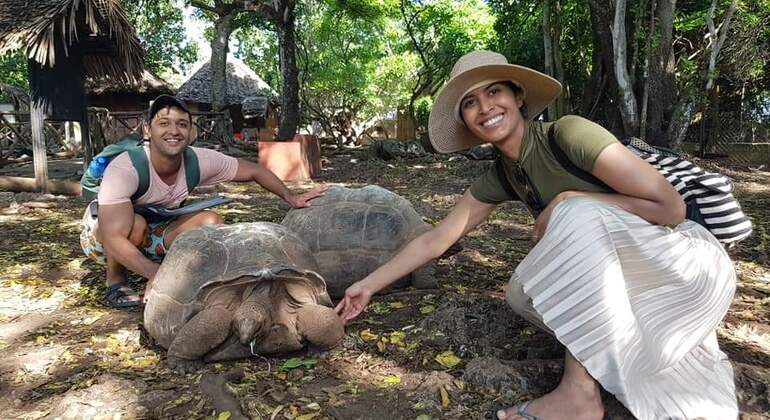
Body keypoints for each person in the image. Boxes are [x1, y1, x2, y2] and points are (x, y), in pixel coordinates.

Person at [335, 51, 737, 420]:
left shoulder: (569, 134)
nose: (485, 107)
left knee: (575, 216)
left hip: (688, 264)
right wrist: (367, 286)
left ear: (519, 96)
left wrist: (568, 198)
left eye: (494, 91)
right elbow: (436, 239)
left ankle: (579, 394)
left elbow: (671, 208)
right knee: (521, 291)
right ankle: (627, 349)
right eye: (470, 103)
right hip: (634, 285)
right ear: (465, 122)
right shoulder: (504, 174)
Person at [80, 95, 326, 308]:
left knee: (211, 220)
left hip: (154, 232)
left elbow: (254, 170)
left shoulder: (198, 160)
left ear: (191, 131)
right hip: (103, 238)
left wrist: (290, 197)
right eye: (163, 123)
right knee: (135, 224)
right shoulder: (126, 166)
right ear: (147, 129)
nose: (173, 131)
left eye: (182, 124)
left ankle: (178, 277)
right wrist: (158, 274)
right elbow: (112, 236)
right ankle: (116, 280)